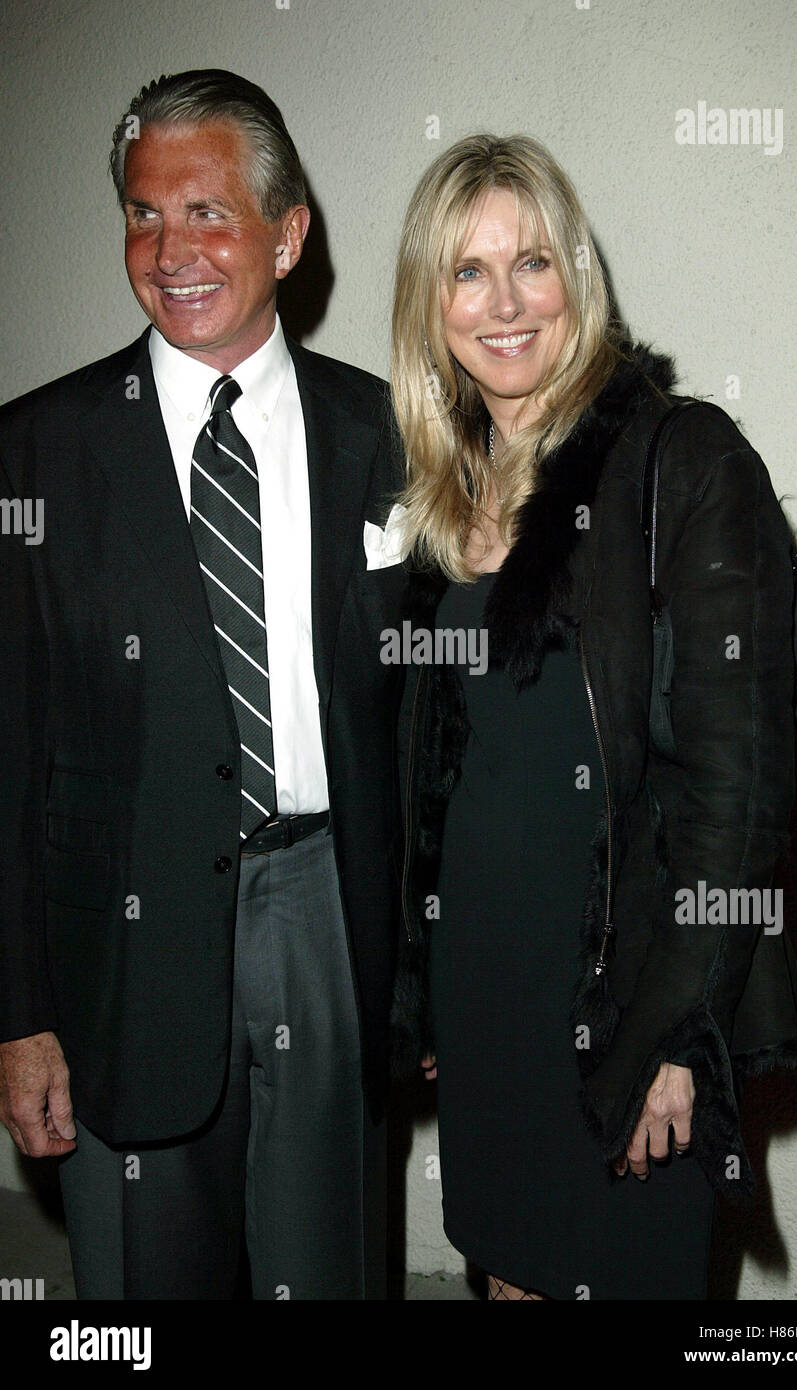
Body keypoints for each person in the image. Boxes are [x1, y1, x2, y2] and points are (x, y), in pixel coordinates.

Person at [389, 134, 797, 1301]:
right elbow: (445, 768)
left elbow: (736, 796)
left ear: (574, 279)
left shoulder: (682, 462)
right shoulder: (444, 494)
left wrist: (674, 1035)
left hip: (621, 993)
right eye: (466, 272)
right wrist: (421, 979)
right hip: (486, 986)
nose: (503, 303)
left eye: (531, 261)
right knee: (507, 1280)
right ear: (428, 306)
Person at [0, 69, 406, 1300]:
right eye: (140, 214)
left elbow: (436, 729)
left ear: (286, 234)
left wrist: (426, 979)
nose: (168, 251)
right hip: (118, 944)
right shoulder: (35, 452)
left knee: (332, 1267)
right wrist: (19, 1016)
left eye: (206, 213)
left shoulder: (387, 434)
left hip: (332, 918)